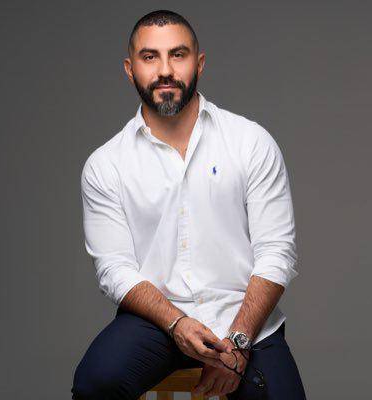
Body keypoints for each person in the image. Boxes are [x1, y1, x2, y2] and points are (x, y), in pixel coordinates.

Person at [71, 9, 307, 400]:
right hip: (155, 321)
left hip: (244, 318)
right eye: (150, 57)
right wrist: (177, 323)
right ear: (130, 69)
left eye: (177, 55)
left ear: (199, 63)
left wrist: (238, 341)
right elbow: (115, 269)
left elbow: (276, 253)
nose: (165, 70)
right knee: (96, 383)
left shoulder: (250, 142)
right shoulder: (106, 164)